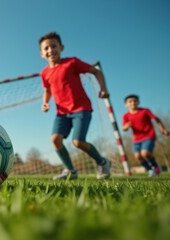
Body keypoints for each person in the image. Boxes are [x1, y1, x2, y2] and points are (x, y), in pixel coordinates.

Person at [39, 32, 111, 180]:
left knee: (78, 142)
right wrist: (45, 102)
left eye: (54, 46)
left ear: (61, 47)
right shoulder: (44, 73)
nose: (50, 50)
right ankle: (70, 170)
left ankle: (102, 162)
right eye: (46, 48)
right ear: (42, 54)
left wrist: (103, 88)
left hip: (81, 109)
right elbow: (47, 90)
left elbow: (96, 72)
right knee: (55, 139)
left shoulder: (72, 62)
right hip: (62, 112)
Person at [122, 94, 169, 176]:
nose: (133, 103)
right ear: (126, 104)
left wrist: (163, 129)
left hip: (149, 135)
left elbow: (156, 119)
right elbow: (124, 128)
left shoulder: (145, 111)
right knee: (137, 156)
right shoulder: (126, 116)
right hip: (136, 139)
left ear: (138, 102)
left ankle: (156, 166)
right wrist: (125, 127)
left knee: (145, 154)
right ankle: (150, 170)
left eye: (135, 101)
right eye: (130, 101)